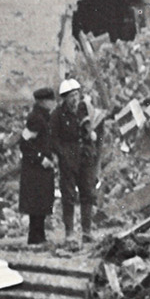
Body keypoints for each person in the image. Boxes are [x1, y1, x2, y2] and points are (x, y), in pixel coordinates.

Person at [52, 78, 100, 242]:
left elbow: (90, 131)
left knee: (87, 192)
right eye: (71, 96)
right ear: (64, 98)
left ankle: (87, 232)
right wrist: (63, 155)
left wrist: (91, 147)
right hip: (68, 159)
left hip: (85, 157)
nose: (75, 99)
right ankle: (70, 233)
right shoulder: (57, 115)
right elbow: (53, 140)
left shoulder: (83, 109)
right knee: (69, 195)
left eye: (76, 95)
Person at [17, 86, 57, 245]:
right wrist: (40, 158)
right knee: (36, 203)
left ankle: (40, 236)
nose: (53, 103)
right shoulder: (35, 119)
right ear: (43, 102)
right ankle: (35, 237)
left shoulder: (45, 117)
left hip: (42, 168)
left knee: (42, 202)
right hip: (35, 168)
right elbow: (25, 143)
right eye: (50, 100)